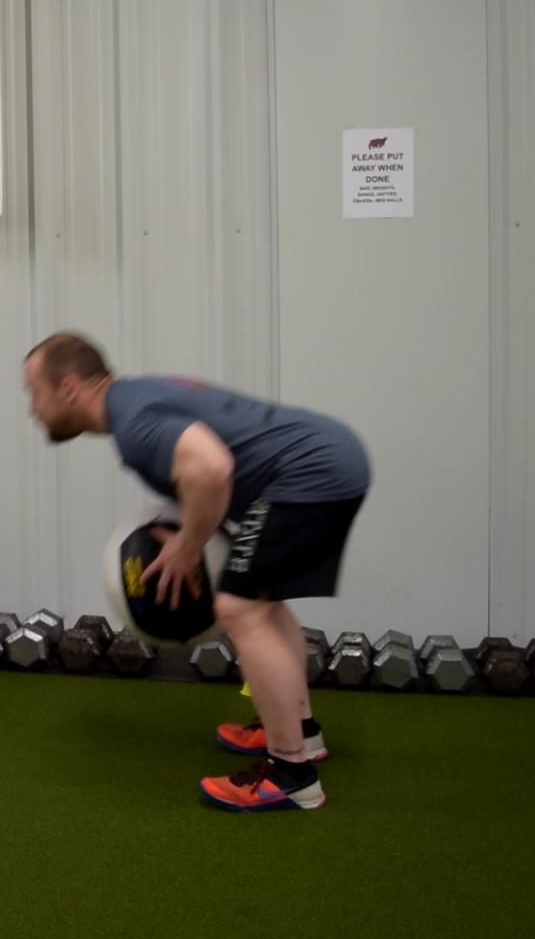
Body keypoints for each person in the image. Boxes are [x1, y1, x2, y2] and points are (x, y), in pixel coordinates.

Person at [22, 332, 370, 812]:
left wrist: (188, 548)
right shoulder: (134, 398)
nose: (32, 409)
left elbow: (209, 468)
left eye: (34, 393)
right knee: (260, 602)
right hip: (330, 460)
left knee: (238, 607)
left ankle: (292, 775)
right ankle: (301, 733)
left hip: (311, 474)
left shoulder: (134, 423)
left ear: (69, 388)